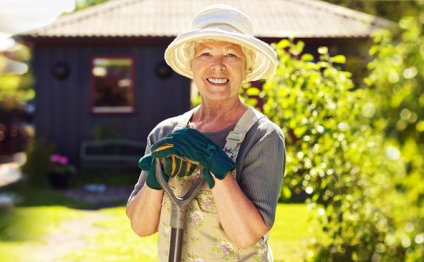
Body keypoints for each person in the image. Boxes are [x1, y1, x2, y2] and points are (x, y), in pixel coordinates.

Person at [126, 4, 285, 261]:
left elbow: (246, 236)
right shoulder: (165, 133)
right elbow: (141, 226)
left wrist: (216, 165)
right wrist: (155, 177)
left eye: (231, 55)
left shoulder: (262, 136)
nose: (218, 66)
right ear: (192, 64)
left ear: (248, 69)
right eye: (206, 54)